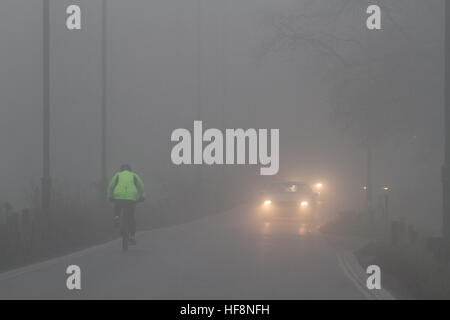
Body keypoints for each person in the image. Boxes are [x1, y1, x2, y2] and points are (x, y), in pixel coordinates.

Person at [107, 164, 145, 245]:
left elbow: (111, 186)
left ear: (121, 170)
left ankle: (116, 217)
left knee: (117, 206)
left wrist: (110, 196)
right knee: (131, 217)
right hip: (131, 198)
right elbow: (141, 186)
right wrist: (142, 196)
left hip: (119, 196)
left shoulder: (117, 175)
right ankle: (132, 236)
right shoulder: (134, 175)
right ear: (130, 170)